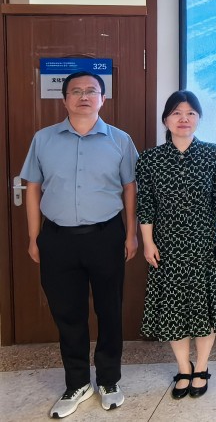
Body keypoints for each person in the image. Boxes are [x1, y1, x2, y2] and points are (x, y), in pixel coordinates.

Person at [21, 71, 138, 417]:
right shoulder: (43, 139)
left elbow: (130, 189)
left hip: (106, 236)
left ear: (103, 99)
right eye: (76, 91)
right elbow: (33, 188)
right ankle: (77, 383)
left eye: (91, 91)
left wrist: (130, 234)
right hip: (57, 239)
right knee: (68, 315)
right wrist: (34, 237)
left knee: (109, 311)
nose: (84, 96)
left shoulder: (121, 140)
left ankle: (109, 380)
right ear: (64, 100)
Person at [137, 90, 216, 399]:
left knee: (205, 307)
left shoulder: (212, 153)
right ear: (166, 119)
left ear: (199, 119)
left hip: (205, 241)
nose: (184, 118)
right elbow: (145, 204)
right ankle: (183, 367)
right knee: (173, 309)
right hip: (166, 245)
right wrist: (148, 242)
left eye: (191, 113)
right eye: (177, 113)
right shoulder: (150, 158)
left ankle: (202, 367)